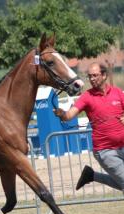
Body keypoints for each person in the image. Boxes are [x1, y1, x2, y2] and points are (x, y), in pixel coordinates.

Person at [53, 62, 124, 192]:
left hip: (122, 146)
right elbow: (69, 114)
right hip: (105, 151)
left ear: (104, 75)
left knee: (121, 182)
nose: (92, 79)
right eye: (89, 76)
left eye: (95, 75)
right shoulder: (86, 97)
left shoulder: (117, 93)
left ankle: (91, 175)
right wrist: (62, 114)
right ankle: (91, 175)